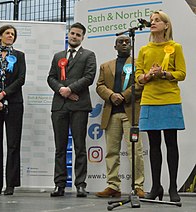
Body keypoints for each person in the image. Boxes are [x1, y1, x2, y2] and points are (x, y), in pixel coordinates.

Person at [135, 11, 186, 202]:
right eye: (152, 21)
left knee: (171, 144)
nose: (153, 23)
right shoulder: (144, 50)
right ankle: (156, 186)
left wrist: (164, 74)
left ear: (166, 25)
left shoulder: (175, 47)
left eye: (157, 20)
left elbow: (181, 73)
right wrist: (147, 76)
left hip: (170, 99)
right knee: (154, 145)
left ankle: (173, 187)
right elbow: (138, 76)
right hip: (149, 100)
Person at [47, 22, 97, 197]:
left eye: (78, 34)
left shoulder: (89, 55)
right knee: (60, 148)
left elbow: (89, 77)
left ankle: (80, 184)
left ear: (83, 37)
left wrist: (70, 89)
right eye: (72, 33)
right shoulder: (58, 56)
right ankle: (59, 185)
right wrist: (62, 91)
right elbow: (51, 77)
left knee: (79, 146)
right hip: (59, 106)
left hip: (79, 106)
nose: (74, 36)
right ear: (68, 34)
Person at [95, 35, 145, 198]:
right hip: (112, 114)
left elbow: (140, 84)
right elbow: (99, 86)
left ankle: (138, 185)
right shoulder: (105, 66)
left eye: (127, 42)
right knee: (111, 151)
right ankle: (113, 186)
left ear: (131, 46)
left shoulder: (139, 64)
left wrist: (123, 95)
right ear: (114, 46)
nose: (124, 44)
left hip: (131, 113)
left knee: (135, 151)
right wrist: (111, 96)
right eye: (120, 42)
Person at [0, 25, 26, 195]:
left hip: (14, 103)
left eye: (13, 34)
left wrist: (3, 94)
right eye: (7, 33)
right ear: (0, 35)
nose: (10, 36)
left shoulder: (19, 56)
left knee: (13, 144)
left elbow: (21, 79)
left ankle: (11, 184)